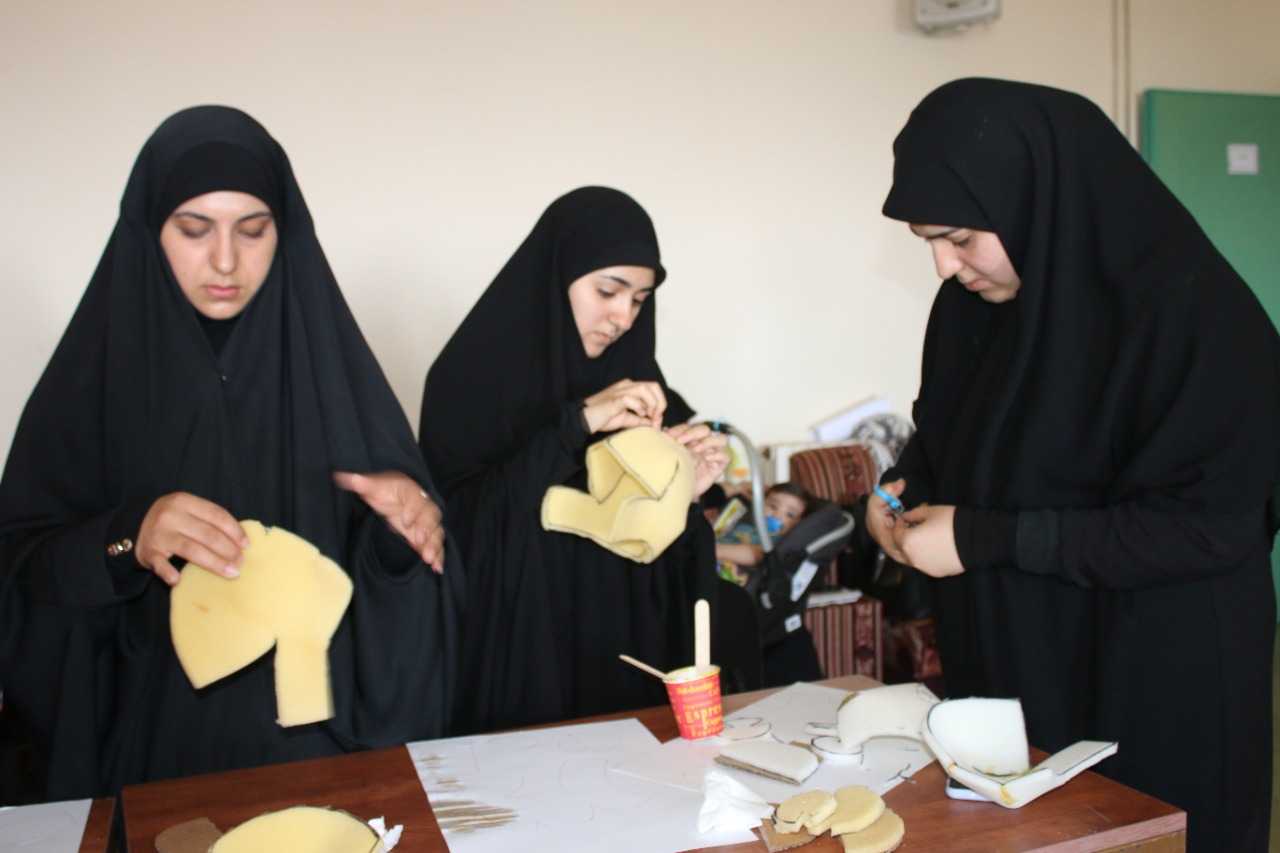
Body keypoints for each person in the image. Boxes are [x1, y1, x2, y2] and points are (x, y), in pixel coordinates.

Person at [0, 106, 461, 799]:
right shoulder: (90, 386)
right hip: (148, 770)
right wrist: (127, 537)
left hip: (322, 766)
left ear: (286, 233)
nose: (225, 260)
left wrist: (401, 540)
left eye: (253, 230)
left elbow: (405, 606)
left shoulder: (334, 377)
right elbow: (19, 577)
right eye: (194, 229)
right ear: (149, 231)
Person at [869, 78, 1279, 852]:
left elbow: (1208, 529)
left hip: (1157, 681)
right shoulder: (971, 309)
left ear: (1036, 202)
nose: (944, 266)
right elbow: (947, 435)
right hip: (1021, 670)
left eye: (960, 237)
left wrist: (983, 538)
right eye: (929, 241)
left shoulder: (1196, 316)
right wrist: (899, 489)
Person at [419, 186, 729, 732]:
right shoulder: (469, 380)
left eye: (639, 300)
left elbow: (661, 558)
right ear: (555, 277)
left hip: (624, 658)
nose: (623, 317)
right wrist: (576, 424)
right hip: (522, 657)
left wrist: (683, 492)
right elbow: (462, 527)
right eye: (608, 291)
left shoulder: (642, 387)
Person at [716, 482, 812, 577]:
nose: (777, 515)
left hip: (726, 570)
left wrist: (712, 550)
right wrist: (738, 488)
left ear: (798, 524)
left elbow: (756, 555)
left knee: (762, 553)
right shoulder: (743, 526)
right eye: (773, 506)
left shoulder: (780, 543)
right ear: (760, 505)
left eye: (790, 515)